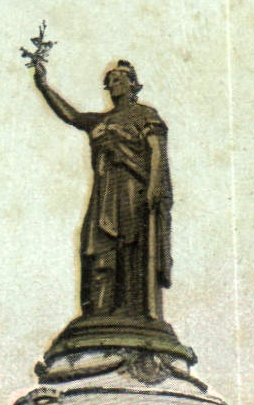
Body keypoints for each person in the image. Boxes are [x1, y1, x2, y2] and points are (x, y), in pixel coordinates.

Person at [31, 56, 172, 323]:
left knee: (130, 245)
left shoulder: (146, 115)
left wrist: (155, 186)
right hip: (105, 192)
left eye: (120, 79)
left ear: (134, 85)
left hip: (132, 189)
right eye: (110, 80)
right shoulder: (99, 121)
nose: (114, 83)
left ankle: (131, 309)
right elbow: (71, 116)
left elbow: (157, 152)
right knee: (97, 245)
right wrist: (43, 86)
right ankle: (100, 309)